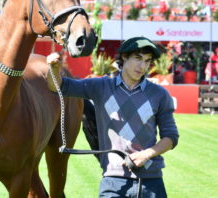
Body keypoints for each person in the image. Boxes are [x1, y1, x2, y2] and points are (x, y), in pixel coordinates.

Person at [47, 37, 179, 198]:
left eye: (147, 61)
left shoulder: (159, 94)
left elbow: (171, 137)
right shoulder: (101, 87)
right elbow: (58, 87)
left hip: (151, 183)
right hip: (114, 182)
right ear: (124, 57)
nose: (142, 66)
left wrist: (146, 154)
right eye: (138, 58)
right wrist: (53, 69)